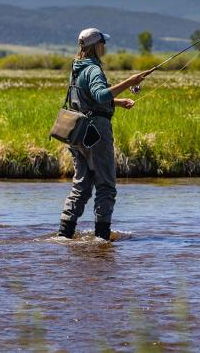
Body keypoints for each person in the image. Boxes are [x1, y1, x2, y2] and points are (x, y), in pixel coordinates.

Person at [58, 27, 154, 240]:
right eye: (103, 43)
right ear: (97, 46)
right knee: (106, 185)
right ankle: (102, 237)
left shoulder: (76, 68)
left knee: (81, 186)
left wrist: (117, 102)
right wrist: (130, 81)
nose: (105, 47)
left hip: (77, 133)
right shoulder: (93, 69)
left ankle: (64, 234)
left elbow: (86, 98)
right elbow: (100, 95)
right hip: (96, 133)